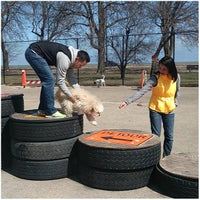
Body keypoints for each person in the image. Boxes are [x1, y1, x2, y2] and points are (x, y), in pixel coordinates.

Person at [119, 56, 180, 158]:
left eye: (164, 69)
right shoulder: (155, 78)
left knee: (169, 137)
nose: (161, 71)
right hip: (155, 108)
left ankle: (166, 158)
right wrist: (127, 101)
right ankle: (154, 159)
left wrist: (175, 102)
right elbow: (142, 91)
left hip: (170, 109)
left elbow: (177, 91)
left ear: (171, 68)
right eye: (160, 68)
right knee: (156, 136)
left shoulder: (176, 77)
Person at [25, 41, 90, 118]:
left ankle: (42, 109)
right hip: (33, 53)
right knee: (49, 80)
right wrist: (70, 97)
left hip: (38, 53)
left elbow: (71, 78)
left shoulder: (71, 59)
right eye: (80, 65)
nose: (80, 68)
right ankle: (50, 111)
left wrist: (81, 93)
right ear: (77, 59)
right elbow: (60, 82)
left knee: (48, 81)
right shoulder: (65, 59)